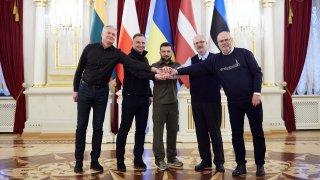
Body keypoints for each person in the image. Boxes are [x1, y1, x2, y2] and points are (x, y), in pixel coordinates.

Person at [166, 31, 266, 177]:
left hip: (252, 100)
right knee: (236, 135)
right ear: (218, 44)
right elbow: (197, 68)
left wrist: (257, 92)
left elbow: (257, 72)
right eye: (221, 41)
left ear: (231, 40)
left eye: (226, 40)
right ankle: (240, 165)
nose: (224, 43)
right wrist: (176, 71)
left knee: (257, 133)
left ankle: (260, 165)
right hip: (233, 103)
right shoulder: (215, 60)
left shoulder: (245, 53)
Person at [73, 25, 162, 173]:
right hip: (84, 90)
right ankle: (78, 162)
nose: (111, 36)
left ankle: (95, 161)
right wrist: (76, 89)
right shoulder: (89, 48)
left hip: (102, 92)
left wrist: (153, 70)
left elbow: (133, 63)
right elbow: (79, 69)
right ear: (102, 34)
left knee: (98, 127)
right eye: (109, 33)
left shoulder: (117, 54)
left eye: (114, 34)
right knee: (81, 127)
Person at [179, 34, 225, 172]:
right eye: (196, 43)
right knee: (201, 132)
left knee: (215, 132)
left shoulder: (216, 58)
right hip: (197, 102)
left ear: (206, 43)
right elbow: (180, 71)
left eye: (201, 42)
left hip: (213, 102)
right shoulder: (191, 60)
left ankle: (219, 162)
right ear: (194, 46)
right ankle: (205, 161)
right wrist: (166, 72)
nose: (199, 45)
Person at [116, 33, 153, 172]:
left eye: (143, 43)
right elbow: (140, 74)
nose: (141, 45)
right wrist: (157, 75)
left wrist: (149, 94)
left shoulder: (146, 59)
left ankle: (138, 159)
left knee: (141, 130)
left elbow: (145, 80)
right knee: (124, 129)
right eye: (138, 42)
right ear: (132, 43)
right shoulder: (128, 59)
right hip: (130, 98)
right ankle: (120, 160)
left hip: (143, 100)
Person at [151, 42, 183, 171]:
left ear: (171, 52)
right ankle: (159, 159)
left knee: (172, 132)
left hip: (173, 104)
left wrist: (171, 73)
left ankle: (171, 158)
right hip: (159, 104)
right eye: (163, 51)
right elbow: (149, 74)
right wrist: (158, 74)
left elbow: (179, 74)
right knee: (158, 133)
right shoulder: (154, 66)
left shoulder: (177, 65)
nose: (166, 54)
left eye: (168, 51)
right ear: (160, 53)